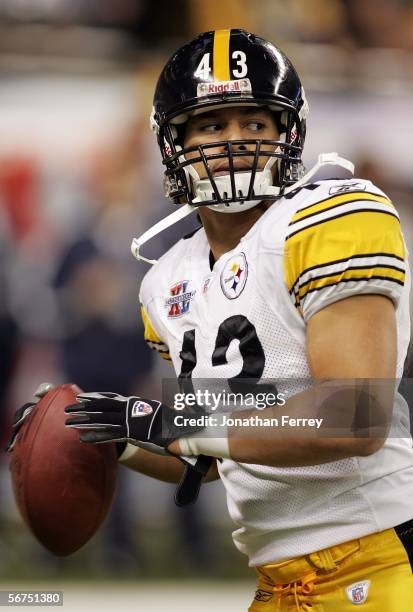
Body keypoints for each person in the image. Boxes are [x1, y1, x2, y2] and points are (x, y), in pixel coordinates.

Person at [8, 29, 413, 610]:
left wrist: (175, 418)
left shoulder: (331, 219)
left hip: (378, 554)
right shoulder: (167, 278)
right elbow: (217, 455)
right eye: (212, 124)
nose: (234, 142)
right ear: (173, 142)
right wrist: (115, 433)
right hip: (278, 576)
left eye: (255, 123)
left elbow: (356, 413)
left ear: (287, 134)